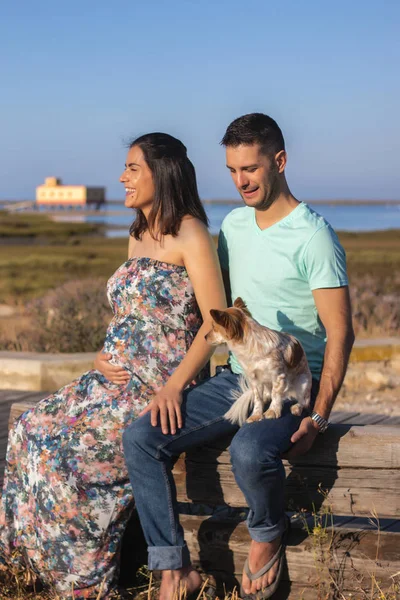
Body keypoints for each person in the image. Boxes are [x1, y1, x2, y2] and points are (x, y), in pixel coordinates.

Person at [123, 114, 355, 600]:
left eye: (249, 168)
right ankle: (172, 567)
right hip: (234, 380)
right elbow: (216, 319)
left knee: (250, 449)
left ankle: (268, 533)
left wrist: (316, 414)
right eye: (231, 170)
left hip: (291, 385)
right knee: (142, 437)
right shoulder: (232, 224)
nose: (240, 181)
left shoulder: (314, 237)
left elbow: (341, 333)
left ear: (280, 161)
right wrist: (170, 379)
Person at [0, 133, 226, 598]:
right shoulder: (138, 233)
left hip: (158, 387)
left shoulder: (190, 233)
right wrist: (101, 355)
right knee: (28, 429)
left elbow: (215, 325)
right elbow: (132, 316)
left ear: (160, 173)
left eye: (132, 168)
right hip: (109, 378)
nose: (122, 177)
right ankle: (29, 565)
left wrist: (174, 388)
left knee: (64, 455)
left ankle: (82, 582)